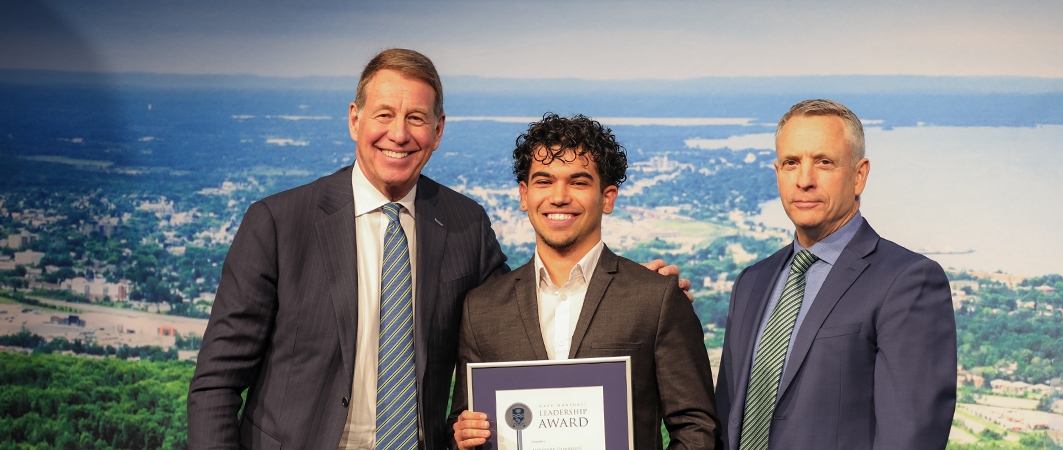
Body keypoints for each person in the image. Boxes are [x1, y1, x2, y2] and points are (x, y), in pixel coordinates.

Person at [187, 49, 688, 450]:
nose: (399, 134)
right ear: (355, 120)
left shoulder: (465, 223)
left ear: (438, 132)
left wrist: (623, 286)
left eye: (417, 118)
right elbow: (216, 384)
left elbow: (519, 309)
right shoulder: (278, 223)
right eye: (384, 114)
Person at [449, 113, 719, 450]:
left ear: (607, 198)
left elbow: (697, 427)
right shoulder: (482, 309)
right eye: (544, 181)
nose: (559, 196)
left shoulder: (655, 298)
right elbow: (461, 419)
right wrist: (460, 434)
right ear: (524, 194)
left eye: (578, 182)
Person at [714, 99, 956, 450]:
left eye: (824, 163)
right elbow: (723, 423)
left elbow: (910, 436)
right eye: (791, 163)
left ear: (859, 175)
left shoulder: (907, 282)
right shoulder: (752, 282)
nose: (804, 180)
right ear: (777, 172)